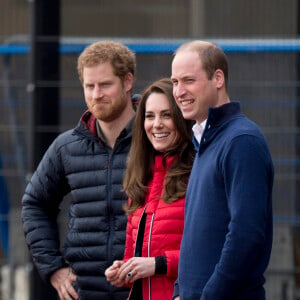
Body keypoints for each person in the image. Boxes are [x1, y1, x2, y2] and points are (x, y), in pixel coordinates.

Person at [22, 40, 139, 300]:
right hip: (84, 291)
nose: (96, 94)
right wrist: (53, 269)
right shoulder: (67, 146)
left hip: (143, 290)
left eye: (105, 85)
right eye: (89, 86)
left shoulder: (156, 137)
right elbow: (34, 204)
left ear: (127, 81)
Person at [171, 40, 274, 300]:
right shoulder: (205, 141)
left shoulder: (241, 141)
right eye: (174, 82)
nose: (179, 91)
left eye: (188, 80)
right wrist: (179, 292)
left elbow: (246, 234)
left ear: (218, 78)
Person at [105, 78, 194, 300]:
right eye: (149, 116)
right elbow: (135, 257)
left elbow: (210, 250)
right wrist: (124, 270)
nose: (156, 124)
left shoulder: (198, 174)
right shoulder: (141, 178)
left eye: (166, 115)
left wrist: (158, 264)